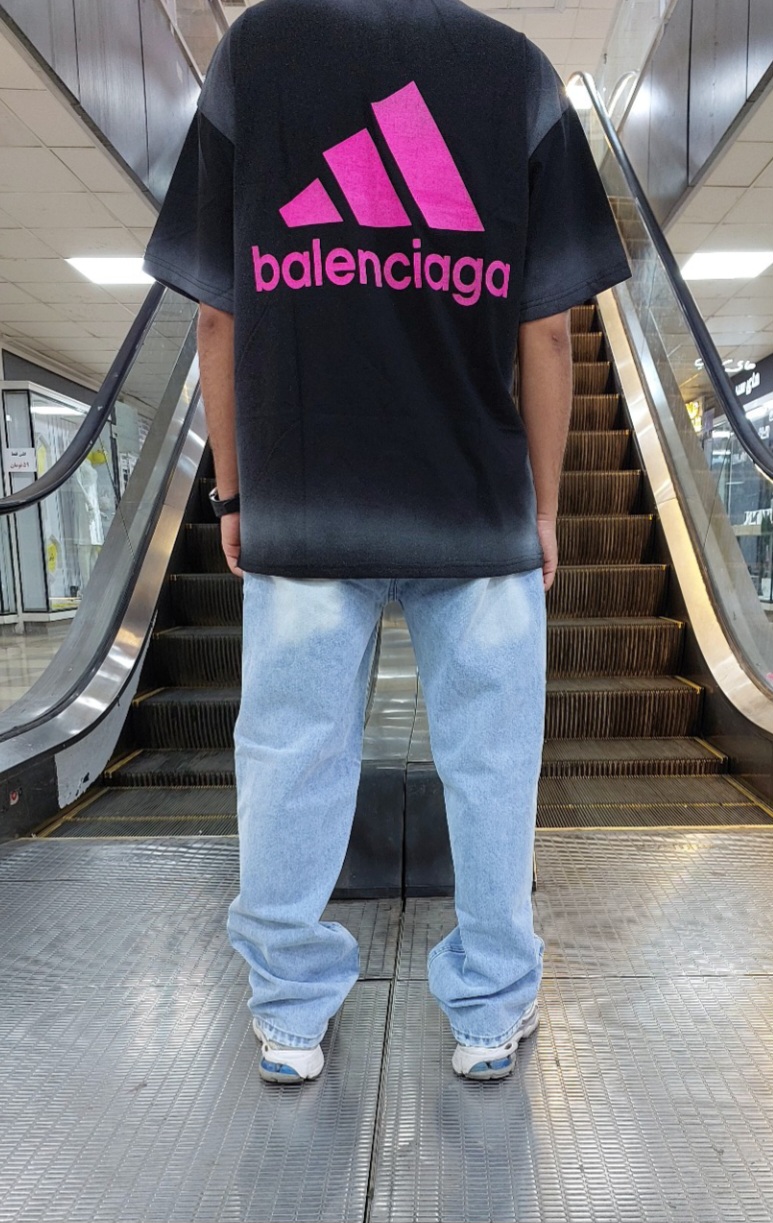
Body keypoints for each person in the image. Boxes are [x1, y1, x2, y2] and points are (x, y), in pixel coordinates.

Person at [143, 0, 630, 1085]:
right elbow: (549, 331)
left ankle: (288, 1015)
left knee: (291, 758)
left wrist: (233, 493)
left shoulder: (254, 55)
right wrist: (542, 509)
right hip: (475, 502)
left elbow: (217, 313)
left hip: (307, 494)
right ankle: (488, 1011)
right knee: (491, 764)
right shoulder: (518, 74)